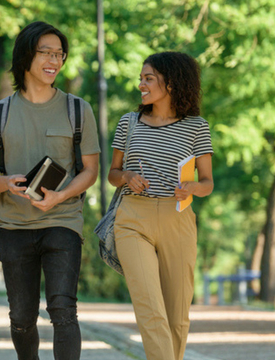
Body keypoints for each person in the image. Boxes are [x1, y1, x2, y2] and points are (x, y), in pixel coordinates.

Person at [0, 21, 100, 359]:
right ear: (25, 57)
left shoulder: (78, 110)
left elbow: (90, 170)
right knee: (21, 318)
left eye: (59, 54)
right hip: (14, 227)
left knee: (63, 310)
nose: (54, 60)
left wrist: (60, 195)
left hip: (63, 220)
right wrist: (6, 183)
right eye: (46, 52)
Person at [108, 51, 213, 360]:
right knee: (150, 309)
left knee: (177, 316)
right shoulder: (128, 122)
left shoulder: (196, 126)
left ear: (171, 83)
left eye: (148, 78)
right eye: (141, 78)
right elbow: (112, 174)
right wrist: (126, 176)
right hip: (132, 218)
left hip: (177, 219)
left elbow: (207, 182)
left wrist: (193, 186)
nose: (141, 83)